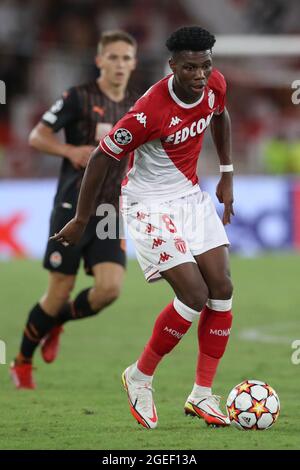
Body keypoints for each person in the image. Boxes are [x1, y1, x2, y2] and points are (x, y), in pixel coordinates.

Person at [50, 26, 234, 428]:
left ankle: (202, 395)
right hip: (148, 205)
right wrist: (82, 219)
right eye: (190, 68)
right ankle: (139, 376)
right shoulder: (150, 110)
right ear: (172, 67)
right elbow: (102, 156)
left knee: (222, 290)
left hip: (190, 196)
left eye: (205, 66)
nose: (200, 75)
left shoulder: (215, 83)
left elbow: (220, 116)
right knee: (195, 293)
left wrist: (227, 173)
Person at [10, 30, 138, 389]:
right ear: (99, 60)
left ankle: (56, 322)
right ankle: (21, 362)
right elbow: (38, 135)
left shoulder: (139, 104)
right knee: (58, 292)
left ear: (134, 63)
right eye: (112, 57)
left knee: (109, 290)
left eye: (125, 58)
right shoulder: (77, 97)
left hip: (110, 211)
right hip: (71, 207)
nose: (119, 64)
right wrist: (69, 151)